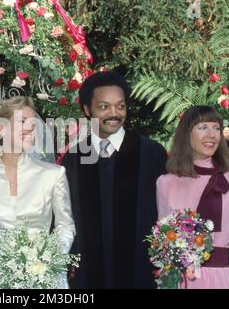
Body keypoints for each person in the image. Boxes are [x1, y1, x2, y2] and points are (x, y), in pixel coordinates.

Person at [61, 70, 167, 288]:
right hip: (88, 277)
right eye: (104, 107)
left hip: (139, 274)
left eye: (120, 106)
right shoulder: (73, 159)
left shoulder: (151, 153)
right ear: (86, 109)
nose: (114, 113)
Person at [0, 96, 75, 288]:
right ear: (2, 128)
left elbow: (66, 225)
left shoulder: (53, 174)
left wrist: (50, 257)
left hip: (44, 277)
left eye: (33, 124)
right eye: (22, 122)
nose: (30, 128)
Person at [157, 105, 229, 289]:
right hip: (178, 280)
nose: (212, 135)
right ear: (187, 134)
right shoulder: (165, 183)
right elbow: (162, 238)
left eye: (216, 128)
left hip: (219, 279)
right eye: (203, 127)